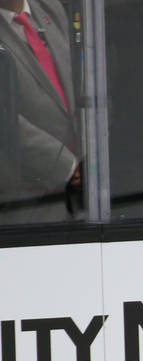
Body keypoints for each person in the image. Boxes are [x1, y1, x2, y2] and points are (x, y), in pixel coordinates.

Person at [0, 0, 79, 209]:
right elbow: (5, 123)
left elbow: (87, 76)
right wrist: (69, 167)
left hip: (88, 193)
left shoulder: (50, 7)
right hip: (27, 202)